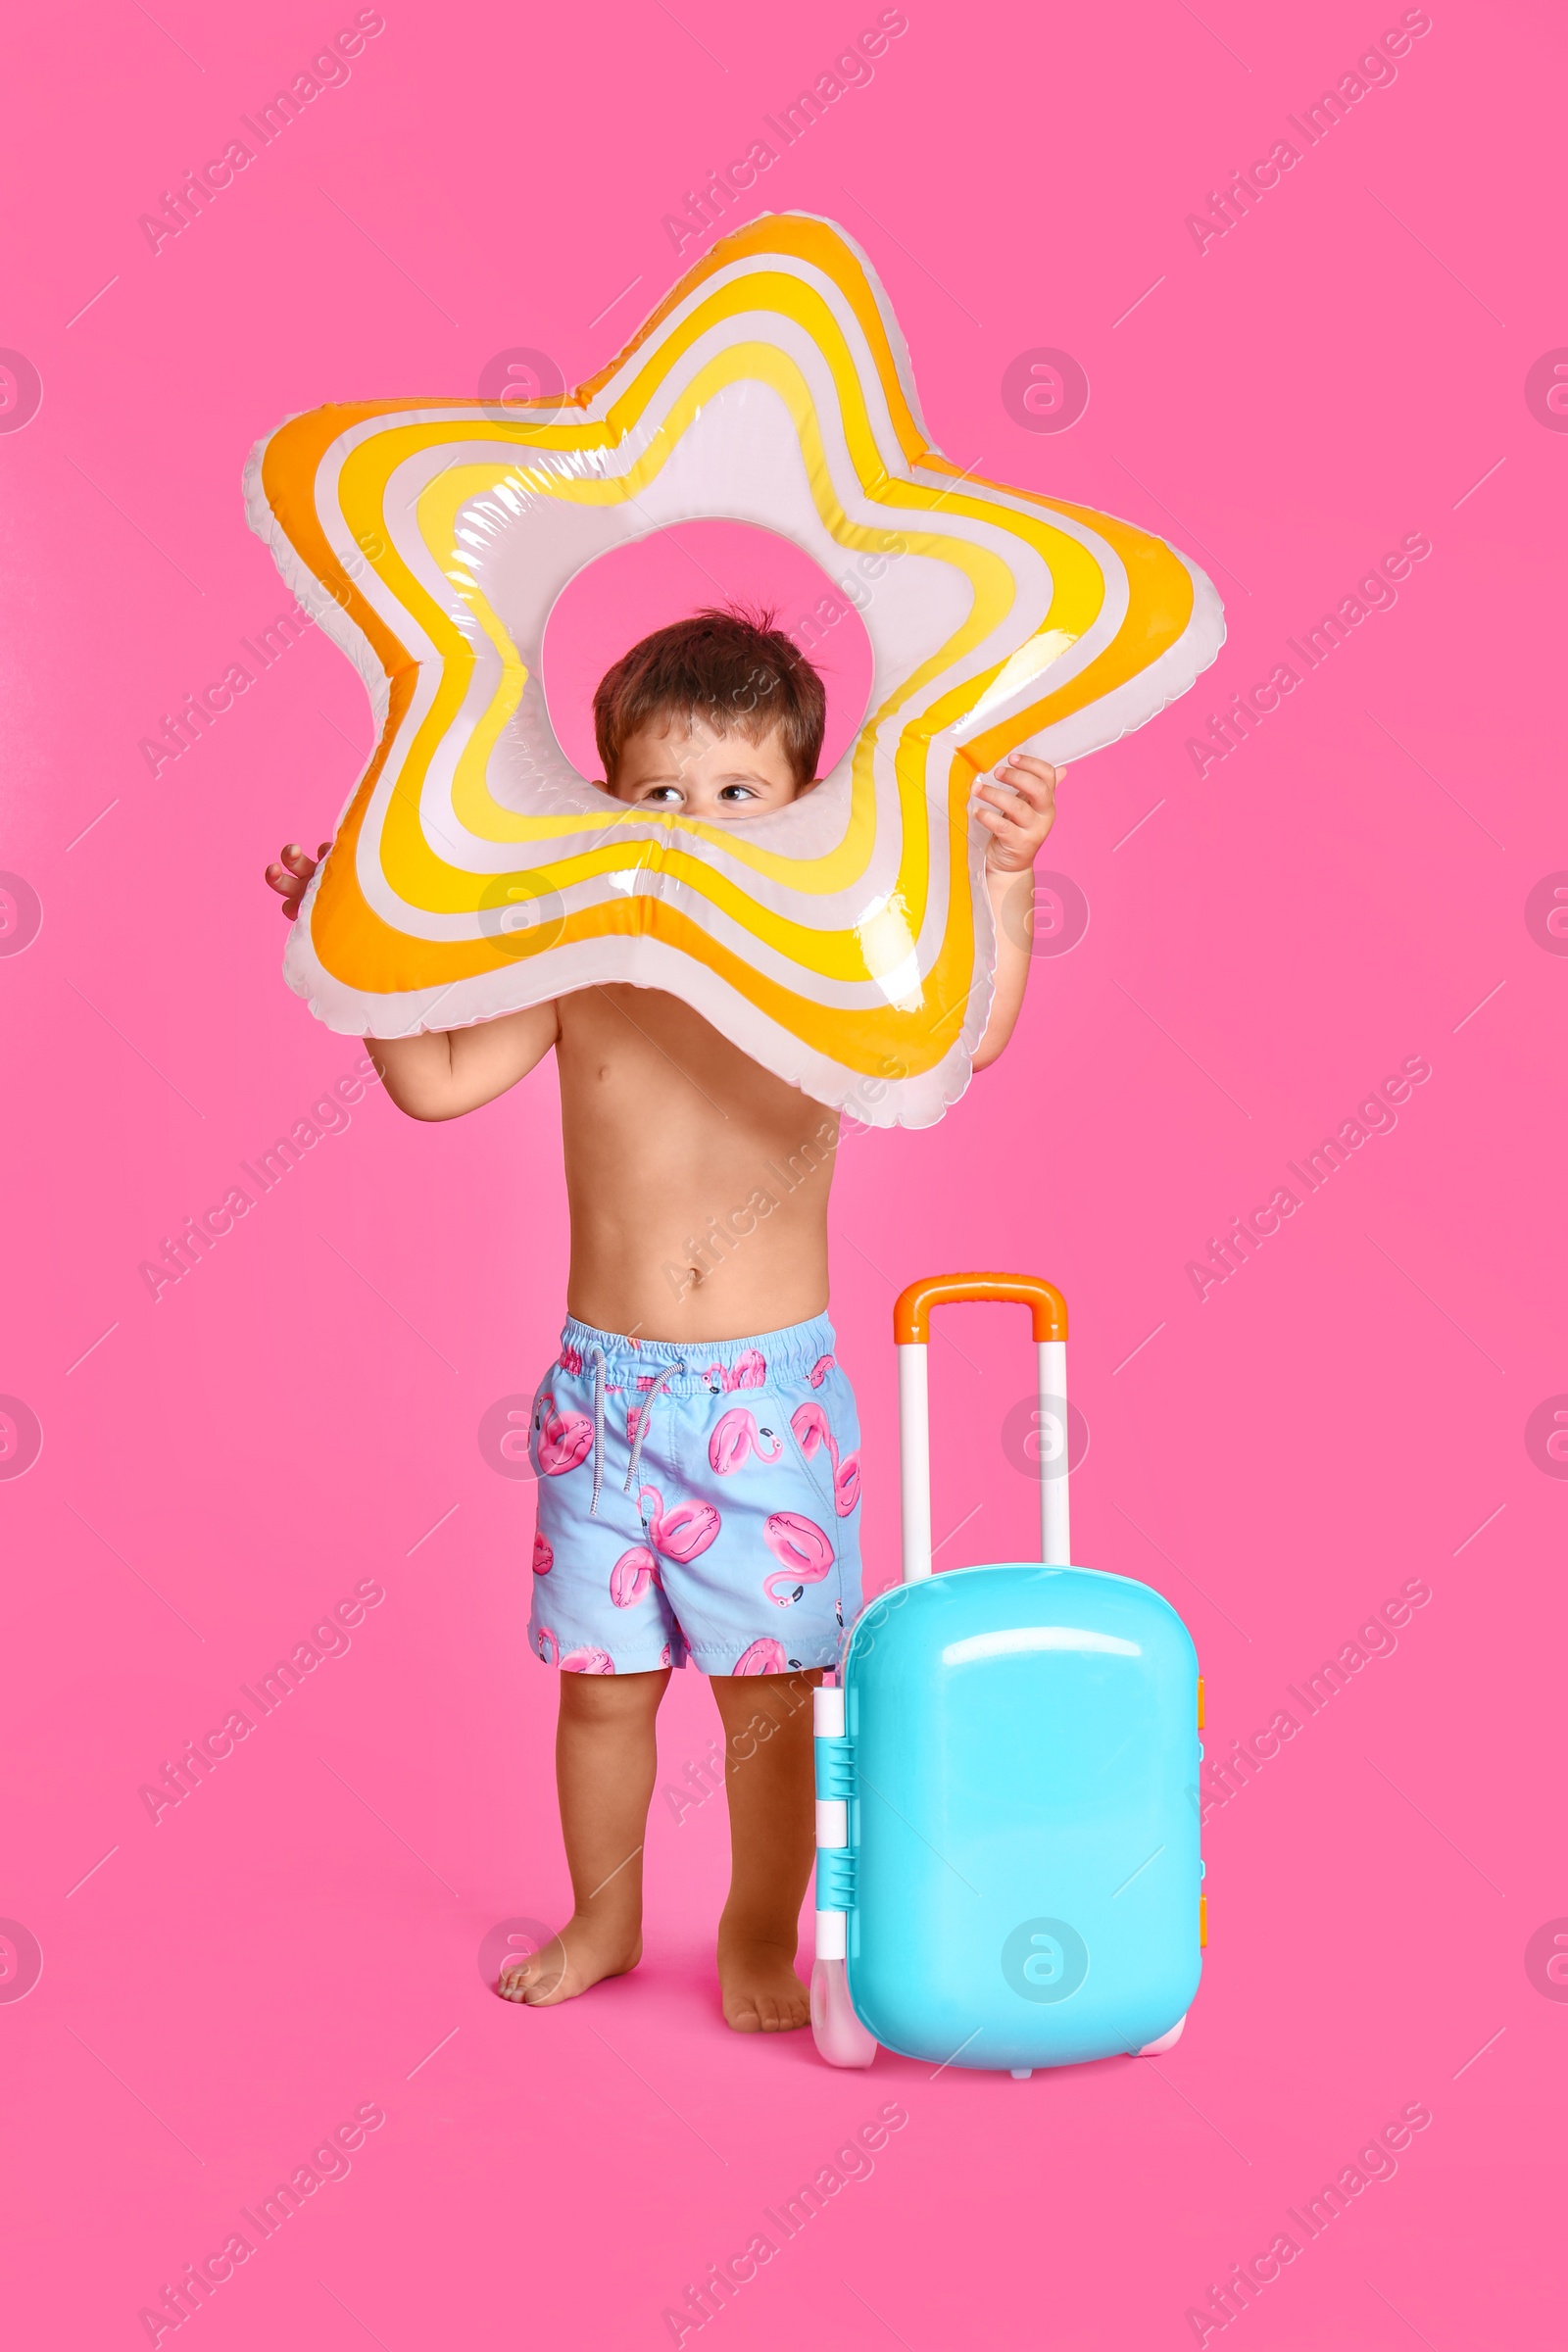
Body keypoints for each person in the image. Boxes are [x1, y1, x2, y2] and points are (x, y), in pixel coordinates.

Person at [264, 607, 1058, 2032]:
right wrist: (349, 950)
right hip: (606, 1396)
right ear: (605, 801)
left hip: (768, 1400)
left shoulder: (824, 965)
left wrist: (1003, 877)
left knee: (772, 1707)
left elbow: (968, 1034)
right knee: (600, 1691)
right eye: (659, 794)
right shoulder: (582, 964)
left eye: (736, 793)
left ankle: (761, 1927)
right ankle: (607, 1916)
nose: (695, 823)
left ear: (804, 807)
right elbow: (437, 1081)